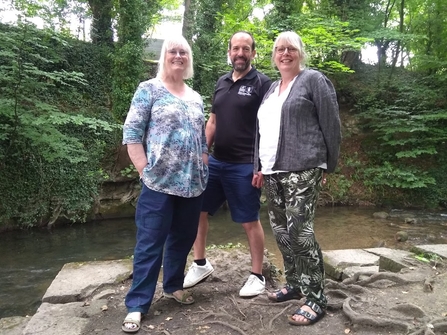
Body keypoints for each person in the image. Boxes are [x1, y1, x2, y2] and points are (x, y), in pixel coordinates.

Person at [121, 35, 209, 333]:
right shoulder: (149, 90)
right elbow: (132, 132)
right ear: (164, 56)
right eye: (173, 51)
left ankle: (173, 286)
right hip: (158, 183)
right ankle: (137, 304)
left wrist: (204, 161)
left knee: (182, 239)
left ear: (189, 59)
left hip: (192, 185)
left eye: (183, 52)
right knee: (150, 243)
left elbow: (201, 137)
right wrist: (143, 169)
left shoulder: (196, 97)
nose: (178, 56)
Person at [252, 31, 341, 326]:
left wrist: (329, 165)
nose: (284, 53)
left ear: (300, 53)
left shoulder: (314, 80)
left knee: (300, 233)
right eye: (279, 49)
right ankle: (295, 283)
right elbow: (260, 131)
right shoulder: (271, 88)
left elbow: (332, 124)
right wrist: (258, 165)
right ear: (273, 55)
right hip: (272, 169)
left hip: (304, 165)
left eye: (291, 48)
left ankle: (316, 298)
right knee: (281, 231)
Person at [183, 31, 272, 297]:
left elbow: (269, 127)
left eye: (246, 49)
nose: (240, 53)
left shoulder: (263, 84)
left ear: (253, 53)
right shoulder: (221, 82)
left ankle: (257, 276)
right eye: (236, 48)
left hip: (245, 164)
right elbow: (213, 122)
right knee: (198, 211)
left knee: (249, 220)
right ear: (229, 52)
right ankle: (200, 264)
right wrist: (202, 154)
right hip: (216, 163)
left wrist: (262, 165)